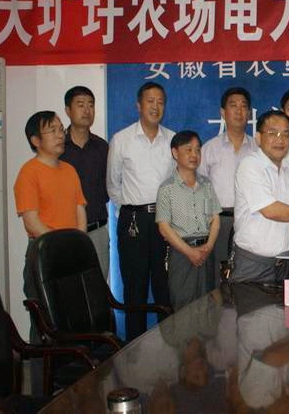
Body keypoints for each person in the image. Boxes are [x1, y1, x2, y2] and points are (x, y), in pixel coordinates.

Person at [107, 81, 175, 340]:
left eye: (160, 102)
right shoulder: (122, 140)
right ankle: (133, 348)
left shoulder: (172, 140)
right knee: (134, 288)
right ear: (138, 105)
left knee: (165, 287)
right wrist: (129, 210)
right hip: (133, 221)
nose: (155, 106)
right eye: (150, 101)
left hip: (165, 222)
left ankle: (170, 346)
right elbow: (113, 185)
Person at [231, 110, 289, 283]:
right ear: (258, 138)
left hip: (281, 263)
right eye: (273, 133)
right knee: (250, 302)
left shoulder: (288, 171)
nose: (280, 140)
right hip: (252, 263)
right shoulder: (250, 165)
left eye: (285, 134)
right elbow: (271, 210)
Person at [14, 111, 87, 312]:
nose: (60, 135)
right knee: (46, 320)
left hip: (71, 252)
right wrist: (62, 246)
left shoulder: (70, 170)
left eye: (61, 129)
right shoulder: (28, 173)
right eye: (52, 130)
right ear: (36, 140)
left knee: (74, 314)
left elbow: (79, 209)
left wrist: (78, 243)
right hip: (44, 253)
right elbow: (32, 223)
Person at [156, 131, 222, 311]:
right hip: (182, 254)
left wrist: (209, 246)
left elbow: (214, 218)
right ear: (175, 153)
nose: (194, 155)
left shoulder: (206, 185)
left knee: (211, 307)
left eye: (198, 150)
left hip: (207, 252)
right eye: (188, 150)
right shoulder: (167, 188)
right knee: (184, 309)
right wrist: (190, 252)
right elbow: (164, 227)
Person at [198, 87, 256, 285]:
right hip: (218, 222)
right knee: (218, 278)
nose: (239, 111)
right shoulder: (209, 148)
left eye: (243, 106)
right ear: (223, 112)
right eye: (233, 106)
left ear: (249, 113)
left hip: (250, 221)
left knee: (248, 277)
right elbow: (199, 189)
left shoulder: (258, 149)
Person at [59, 85, 110, 281]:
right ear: (68, 110)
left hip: (97, 231)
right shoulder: (58, 148)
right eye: (80, 105)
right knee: (66, 288)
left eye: (91, 105)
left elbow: (109, 187)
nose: (87, 110)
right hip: (64, 233)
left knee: (98, 288)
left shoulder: (102, 147)